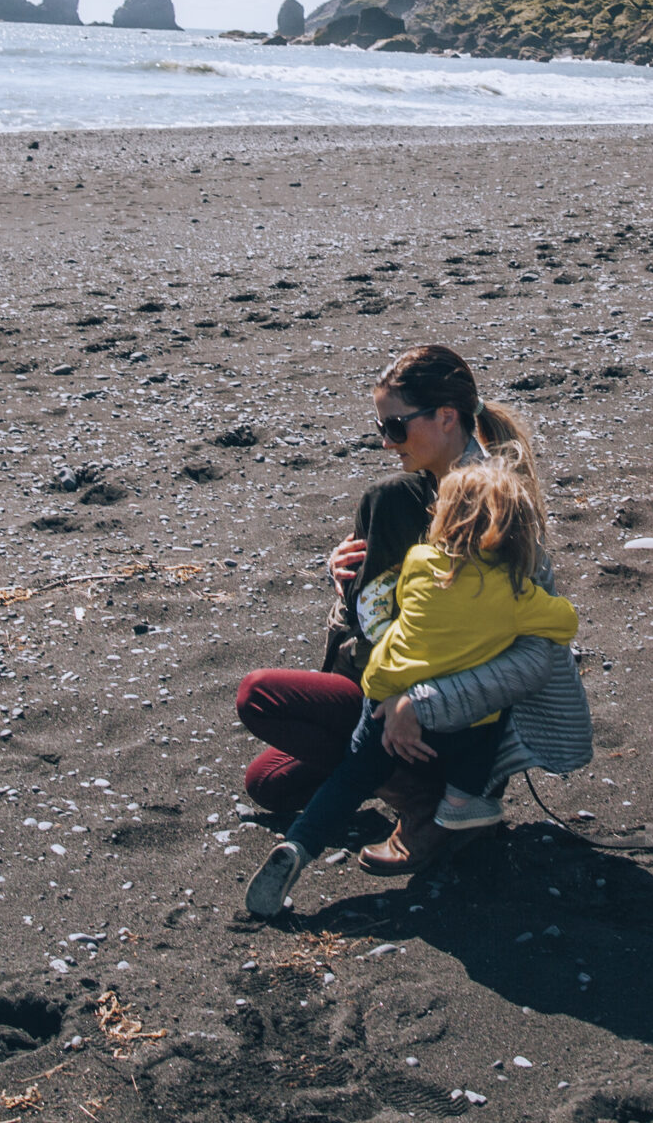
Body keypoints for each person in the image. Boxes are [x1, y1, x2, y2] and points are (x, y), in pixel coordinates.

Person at [231, 344, 591, 876]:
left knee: (258, 694)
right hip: (389, 682)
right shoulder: (405, 495)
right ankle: (413, 786)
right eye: (382, 427)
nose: (385, 441)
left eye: (396, 427)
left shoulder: (497, 506)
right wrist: (342, 578)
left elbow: (537, 655)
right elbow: (376, 609)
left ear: (446, 417)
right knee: (269, 784)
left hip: (454, 717)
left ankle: (431, 806)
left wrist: (416, 702)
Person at [245, 458, 578, 918]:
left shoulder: (420, 563)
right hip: (452, 724)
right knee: (490, 721)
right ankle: (461, 804)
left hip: (381, 695)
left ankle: (300, 845)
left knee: (349, 779)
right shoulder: (516, 595)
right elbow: (565, 623)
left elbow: (393, 606)